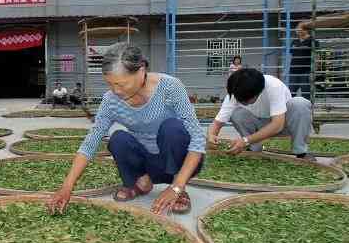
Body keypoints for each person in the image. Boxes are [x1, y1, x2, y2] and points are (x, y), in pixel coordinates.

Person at [47, 43, 205, 216]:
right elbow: (90, 143)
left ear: (141, 70)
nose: (116, 91)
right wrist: (67, 186)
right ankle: (142, 183)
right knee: (118, 139)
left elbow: (197, 138)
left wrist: (177, 186)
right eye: (110, 84)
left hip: (177, 160)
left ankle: (178, 188)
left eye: (121, 84)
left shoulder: (170, 87)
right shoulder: (110, 100)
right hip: (149, 162)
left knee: (172, 128)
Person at [207, 68, 314, 161]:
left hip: (284, 124)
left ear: (258, 92)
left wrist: (245, 140)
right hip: (259, 124)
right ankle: (254, 149)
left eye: (245, 100)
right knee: (236, 113)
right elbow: (217, 124)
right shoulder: (236, 92)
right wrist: (211, 136)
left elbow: (277, 125)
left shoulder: (273, 86)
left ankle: (301, 152)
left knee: (300, 104)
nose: (241, 102)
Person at [289, 22, 318, 99]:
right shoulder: (294, 41)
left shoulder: (312, 41)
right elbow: (292, 54)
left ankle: (307, 110)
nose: (297, 31)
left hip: (306, 71)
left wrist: (314, 71)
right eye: (296, 29)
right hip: (293, 71)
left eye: (299, 29)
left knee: (306, 94)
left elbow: (316, 56)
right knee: (290, 93)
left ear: (305, 30)